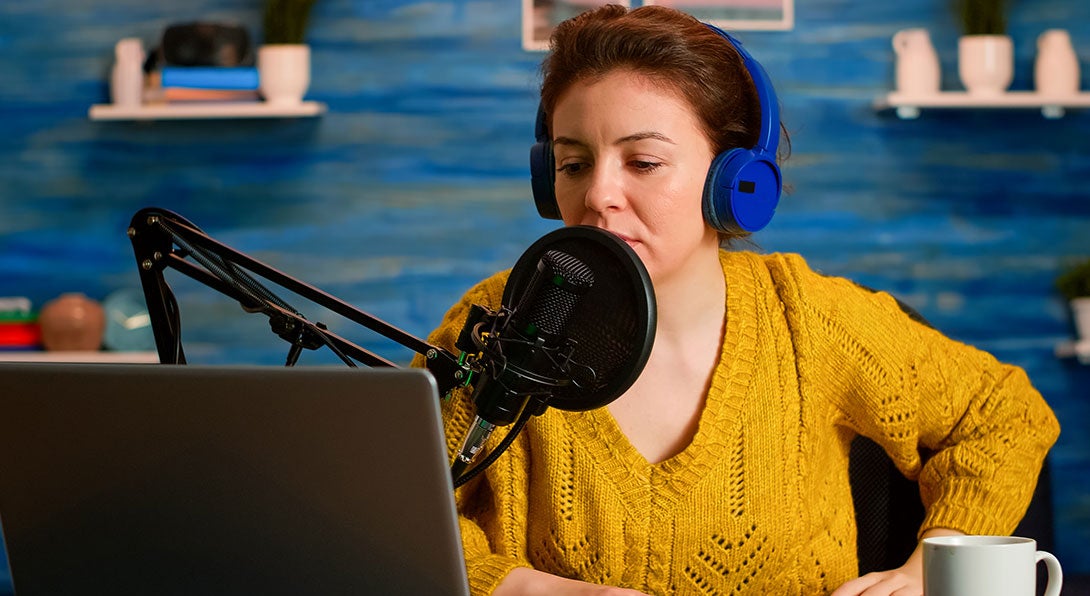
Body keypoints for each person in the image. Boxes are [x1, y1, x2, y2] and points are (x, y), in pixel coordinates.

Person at [412, 5, 1060, 595]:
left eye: (643, 163)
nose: (598, 195)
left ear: (736, 184)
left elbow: (1002, 415)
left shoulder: (809, 319)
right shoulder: (501, 318)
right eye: (574, 164)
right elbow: (397, 509)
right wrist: (531, 589)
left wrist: (928, 570)